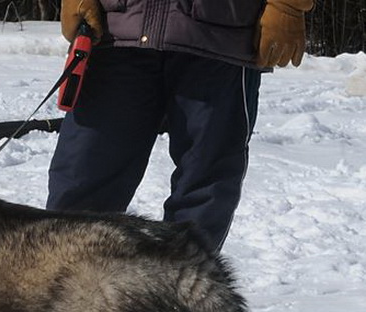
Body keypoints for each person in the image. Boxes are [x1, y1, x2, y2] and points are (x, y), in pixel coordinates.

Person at [48, 0, 314, 253]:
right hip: (116, 32)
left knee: (203, 189)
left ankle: (180, 298)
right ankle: (60, 293)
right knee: (81, 185)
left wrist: (287, 5)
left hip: (221, 36)